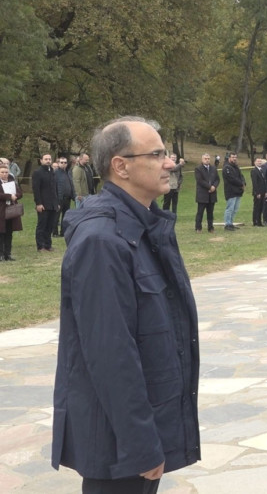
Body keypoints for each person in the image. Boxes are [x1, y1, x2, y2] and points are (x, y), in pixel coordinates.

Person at [52, 116, 200, 493]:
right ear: (121, 166)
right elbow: (110, 354)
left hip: (140, 428)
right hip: (118, 444)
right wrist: (140, 445)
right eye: (157, 154)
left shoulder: (141, 226)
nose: (170, 163)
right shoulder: (102, 239)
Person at [32, 154, 60, 252]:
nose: (48, 161)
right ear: (41, 160)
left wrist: (56, 202)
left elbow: (54, 188)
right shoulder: (37, 172)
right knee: (42, 225)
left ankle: (48, 245)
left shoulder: (52, 171)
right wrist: (38, 203)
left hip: (52, 204)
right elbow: (36, 189)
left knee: (50, 225)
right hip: (43, 203)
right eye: (46, 159)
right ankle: (41, 246)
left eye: (49, 159)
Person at [0, 163, 23, 261]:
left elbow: (20, 193)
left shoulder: (11, 181)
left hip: (11, 210)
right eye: (2, 172)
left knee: (9, 232)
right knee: (1, 233)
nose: (4, 174)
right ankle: (0, 254)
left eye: (6, 172)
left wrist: (16, 196)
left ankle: (7, 254)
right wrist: (9, 196)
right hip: (1, 210)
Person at [194, 153, 219, 233]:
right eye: (205, 158)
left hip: (212, 194)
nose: (207, 160)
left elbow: (217, 179)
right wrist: (209, 187)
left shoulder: (213, 168)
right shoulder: (198, 169)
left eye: (208, 158)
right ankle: (198, 227)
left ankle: (210, 227)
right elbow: (200, 180)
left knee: (210, 212)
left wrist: (214, 187)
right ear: (202, 159)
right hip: (202, 194)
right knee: (200, 212)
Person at [222, 153, 245, 231]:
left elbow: (241, 176)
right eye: (233, 157)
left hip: (238, 191)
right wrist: (241, 184)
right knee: (230, 208)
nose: (234, 158)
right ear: (229, 158)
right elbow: (232, 179)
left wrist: (243, 183)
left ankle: (231, 223)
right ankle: (227, 224)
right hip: (231, 191)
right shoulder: (226, 168)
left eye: (235, 157)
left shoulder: (236, 167)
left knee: (235, 209)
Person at [54, 156, 75, 237]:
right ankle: (55, 232)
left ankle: (63, 232)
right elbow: (54, 187)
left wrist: (73, 195)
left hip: (68, 198)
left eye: (65, 162)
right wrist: (56, 199)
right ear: (58, 163)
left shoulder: (68, 172)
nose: (63, 164)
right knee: (56, 217)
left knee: (65, 217)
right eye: (61, 162)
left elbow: (71, 185)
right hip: (59, 199)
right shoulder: (55, 173)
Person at [250, 157, 267, 227]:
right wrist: (257, 193)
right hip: (258, 192)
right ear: (255, 162)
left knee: (261, 207)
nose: (259, 163)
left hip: (263, 191)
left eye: (260, 161)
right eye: (258, 161)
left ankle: (259, 221)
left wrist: (266, 191)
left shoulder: (262, 170)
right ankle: (255, 221)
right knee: (257, 207)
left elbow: (264, 182)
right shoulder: (254, 171)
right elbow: (255, 183)